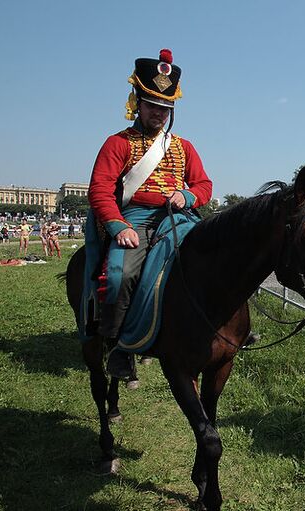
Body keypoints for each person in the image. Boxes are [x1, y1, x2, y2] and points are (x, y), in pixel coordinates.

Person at [88, 48, 212, 379]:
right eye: (153, 105)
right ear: (137, 103)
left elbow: (204, 185)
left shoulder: (184, 146)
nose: (159, 112)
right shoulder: (117, 143)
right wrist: (117, 227)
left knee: (214, 259)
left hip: (180, 220)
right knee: (120, 275)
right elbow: (100, 190)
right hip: (135, 220)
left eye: (166, 107)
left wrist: (187, 195)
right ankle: (116, 346)